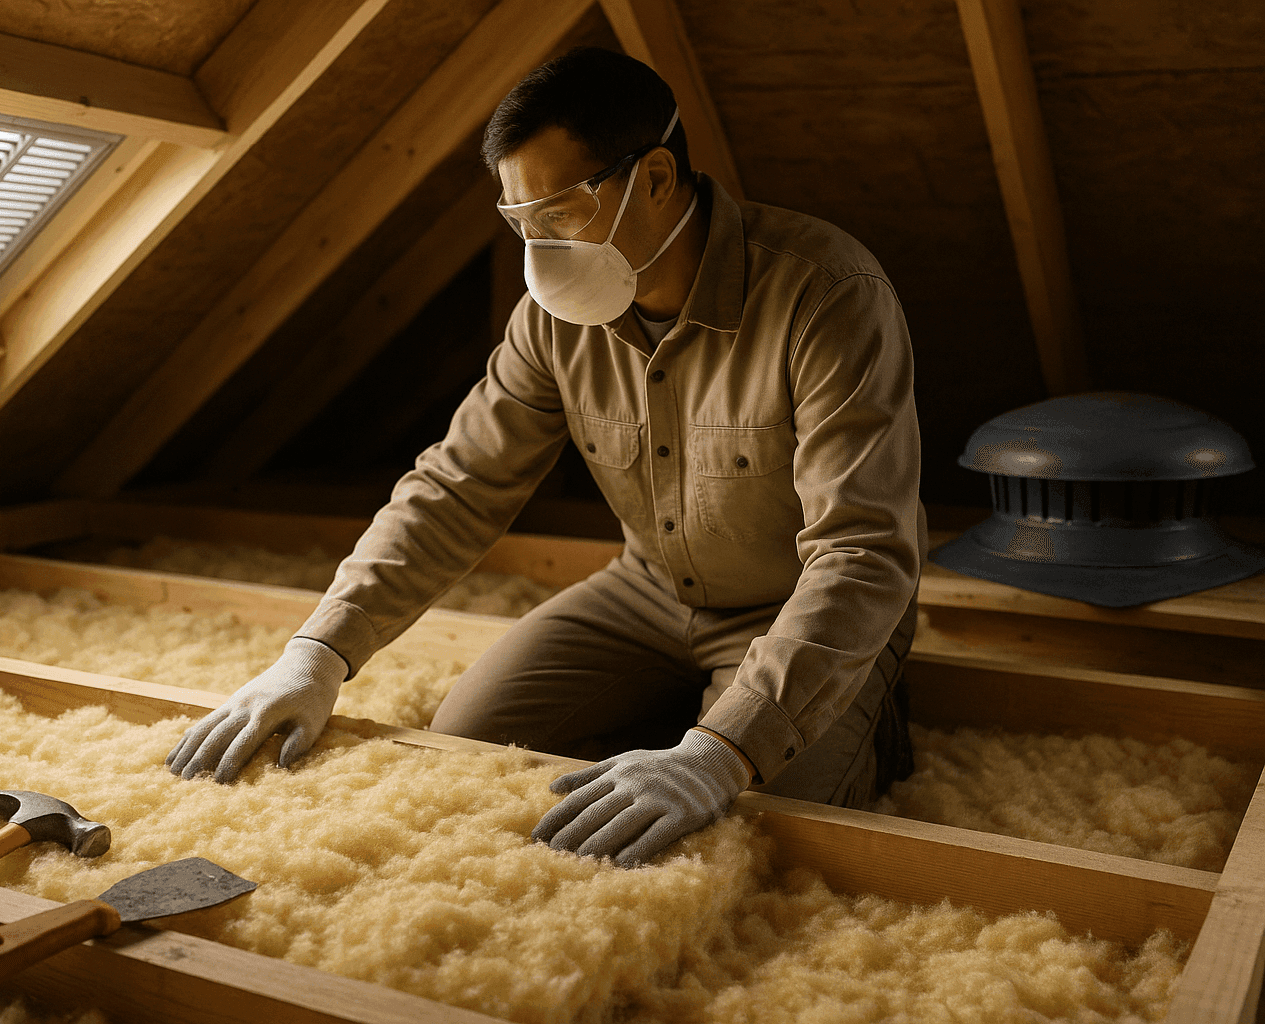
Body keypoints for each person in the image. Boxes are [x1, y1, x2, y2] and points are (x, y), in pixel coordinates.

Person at [167, 46, 927, 868]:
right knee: (467, 744)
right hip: (648, 592)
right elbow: (458, 485)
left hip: (795, 604)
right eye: (519, 222)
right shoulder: (553, 320)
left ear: (658, 178)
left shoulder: (827, 296)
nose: (540, 249)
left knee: (753, 821)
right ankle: (682, 715)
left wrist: (722, 750)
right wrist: (316, 654)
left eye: (559, 213)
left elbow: (862, 551)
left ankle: (850, 713)